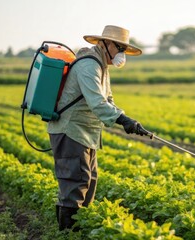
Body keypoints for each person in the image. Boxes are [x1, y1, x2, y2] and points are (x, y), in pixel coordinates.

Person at [47, 25, 146, 231]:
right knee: (75, 183)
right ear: (105, 44)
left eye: (123, 50)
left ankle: (75, 229)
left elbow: (108, 99)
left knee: (88, 180)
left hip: (85, 134)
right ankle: (68, 234)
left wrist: (127, 119)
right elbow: (97, 103)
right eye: (119, 48)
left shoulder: (101, 67)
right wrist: (122, 121)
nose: (121, 54)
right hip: (71, 131)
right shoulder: (89, 66)